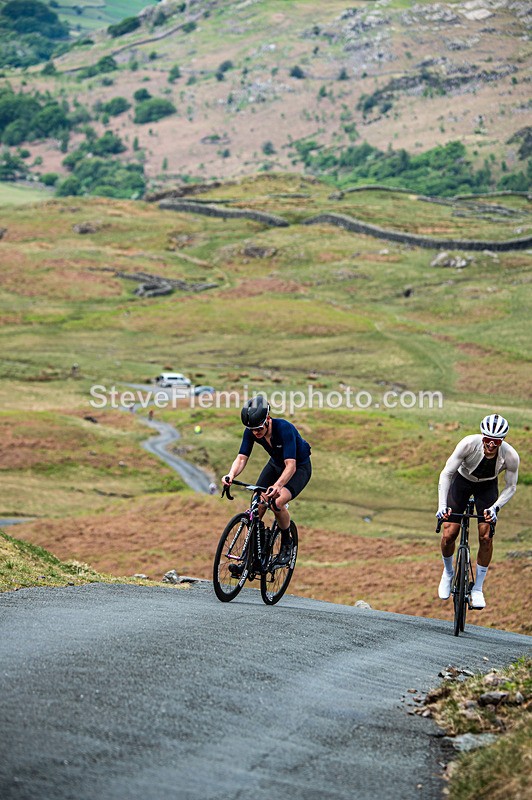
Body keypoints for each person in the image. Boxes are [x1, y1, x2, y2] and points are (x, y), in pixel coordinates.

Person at [436, 414, 519, 609]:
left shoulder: (510, 456)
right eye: (488, 439)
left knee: (486, 536)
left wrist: (495, 507)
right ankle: (448, 573)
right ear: (482, 436)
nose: (491, 445)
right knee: (449, 533)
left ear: (502, 441)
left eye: (496, 441)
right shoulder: (468, 444)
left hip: (487, 488)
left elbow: (511, 487)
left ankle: (478, 588)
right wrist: (441, 507)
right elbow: (447, 473)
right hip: (462, 483)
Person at [222, 396, 312, 565]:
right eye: (252, 429)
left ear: (268, 419)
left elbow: (290, 466)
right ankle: (255, 551)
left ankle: (287, 544)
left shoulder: (284, 428)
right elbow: (241, 458)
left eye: (258, 428)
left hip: (298, 468)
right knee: (257, 507)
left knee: (276, 503)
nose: (256, 433)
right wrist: (231, 475)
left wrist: (278, 486)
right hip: (275, 465)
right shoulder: (251, 432)